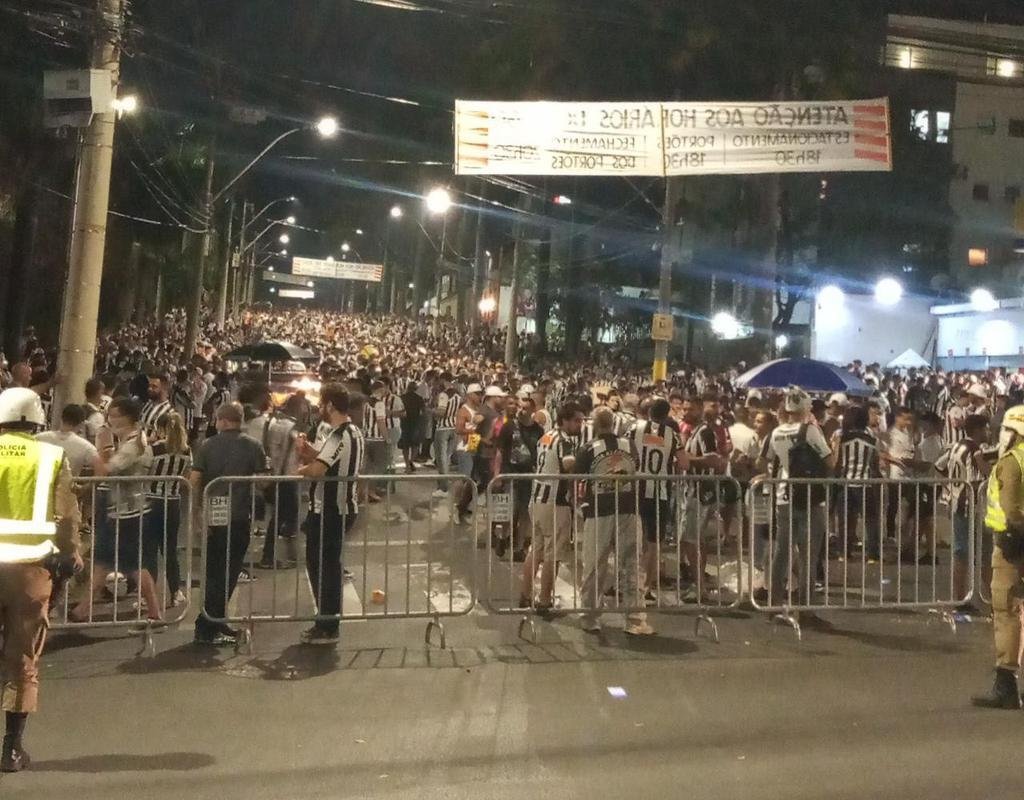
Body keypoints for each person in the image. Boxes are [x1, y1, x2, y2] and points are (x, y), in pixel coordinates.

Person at [0, 388, 82, 773]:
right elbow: (66, 518)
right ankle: (11, 750)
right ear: (35, 421)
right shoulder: (50, 456)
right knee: (21, 658)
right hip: (30, 571)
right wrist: (72, 555)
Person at [191, 402, 269, 647]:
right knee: (229, 572)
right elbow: (265, 481)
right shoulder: (253, 446)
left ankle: (213, 621)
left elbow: (194, 480)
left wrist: (196, 513)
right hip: (238, 516)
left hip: (213, 515)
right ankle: (209, 625)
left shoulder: (206, 446)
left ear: (222, 421)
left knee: (213, 571)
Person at [296, 384, 364, 645]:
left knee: (323, 566)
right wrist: (309, 453)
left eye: (322, 404)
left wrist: (298, 471)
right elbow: (325, 459)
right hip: (335, 508)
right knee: (324, 564)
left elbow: (318, 470)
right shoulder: (352, 432)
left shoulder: (340, 434)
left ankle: (327, 624)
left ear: (331, 406)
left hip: (331, 510)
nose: (319, 409)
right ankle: (326, 620)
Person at [575, 407, 651, 636]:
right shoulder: (629, 446)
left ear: (595, 426)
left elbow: (578, 479)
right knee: (630, 563)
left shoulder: (588, 449)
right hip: (628, 508)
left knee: (594, 565)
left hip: (599, 511)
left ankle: (590, 617)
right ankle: (635, 619)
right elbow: (635, 468)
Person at [760, 387, 834, 606]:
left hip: (784, 495)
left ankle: (774, 601)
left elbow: (767, 460)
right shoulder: (809, 430)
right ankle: (805, 605)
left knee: (781, 552)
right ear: (806, 408)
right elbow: (829, 461)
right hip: (809, 497)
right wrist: (835, 446)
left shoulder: (777, 432)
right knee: (808, 555)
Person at [972, 404, 1024, 710]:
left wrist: (1014, 538)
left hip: (1011, 545)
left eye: (1005, 429)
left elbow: (1010, 511)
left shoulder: (1011, 461)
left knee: (1005, 610)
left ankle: (1005, 683)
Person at [521, 401, 583, 612]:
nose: (580, 424)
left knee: (535, 550)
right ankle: (545, 599)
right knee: (553, 554)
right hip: (555, 501)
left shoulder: (545, 437)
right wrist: (582, 462)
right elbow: (567, 463)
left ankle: (525, 593)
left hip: (537, 498)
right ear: (564, 420)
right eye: (576, 420)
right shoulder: (564, 440)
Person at [629, 398, 686, 599]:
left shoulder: (634, 428)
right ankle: (646, 587)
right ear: (667, 415)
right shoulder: (673, 435)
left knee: (631, 537)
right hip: (660, 491)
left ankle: (627, 583)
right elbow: (684, 463)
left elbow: (628, 451)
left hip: (635, 488)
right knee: (654, 541)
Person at [935, 414, 992, 611]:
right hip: (971, 508)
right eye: (986, 428)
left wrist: (952, 487)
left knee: (962, 552)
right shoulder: (974, 451)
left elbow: (939, 466)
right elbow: (978, 479)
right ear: (977, 430)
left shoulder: (957, 446)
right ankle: (986, 599)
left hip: (957, 504)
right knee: (980, 553)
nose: (988, 432)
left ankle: (961, 598)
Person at [144, 411, 192, 608]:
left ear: (160, 428)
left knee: (149, 550)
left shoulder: (153, 449)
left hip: (150, 501)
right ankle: (175, 592)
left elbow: (143, 472)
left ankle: (148, 597)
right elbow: (187, 476)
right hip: (172, 502)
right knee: (170, 549)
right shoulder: (186, 451)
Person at [494, 392, 544, 560]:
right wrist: (497, 474)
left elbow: (541, 452)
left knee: (525, 512)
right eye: (520, 407)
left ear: (533, 410)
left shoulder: (538, 430)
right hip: (511, 473)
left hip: (529, 475)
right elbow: (500, 451)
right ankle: (503, 537)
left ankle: (519, 547)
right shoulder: (509, 427)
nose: (521, 410)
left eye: (525, 408)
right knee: (510, 510)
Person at [36, 404, 98, 477]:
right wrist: (86, 487)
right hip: (67, 486)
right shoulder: (85, 446)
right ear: (81, 424)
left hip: (38, 485)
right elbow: (101, 470)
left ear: (61, 419)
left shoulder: (39, 438)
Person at [431, 374, 460, 499]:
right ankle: (444, 483)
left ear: (443, 380)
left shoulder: (444, 395)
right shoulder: (458, 395)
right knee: (447, 458)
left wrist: (431, 411)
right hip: (454, 428)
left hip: (443, 429)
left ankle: (443, 487)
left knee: (441, 459)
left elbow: (441, 412)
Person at [140, 372, 173, 438]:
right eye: (149, 385)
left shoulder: (169, 412)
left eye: (154, 386)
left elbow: (166, 439)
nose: (150, 388)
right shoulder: (147, 405)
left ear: (164, 388)